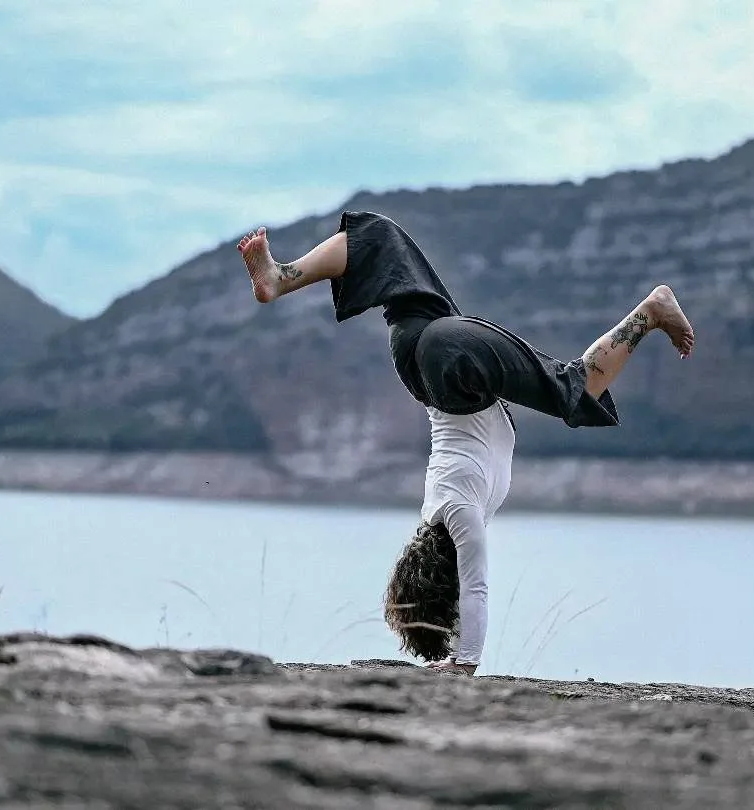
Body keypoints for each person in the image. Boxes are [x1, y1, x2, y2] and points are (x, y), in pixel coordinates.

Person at [236, 211, 693, 675]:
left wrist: (464, 661)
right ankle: (280, 277)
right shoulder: (435, 512)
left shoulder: (461, 516)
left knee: (571, 389)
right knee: (382, 239)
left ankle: (651, 309)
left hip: (453, 365)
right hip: (417, 358)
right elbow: (454, 585)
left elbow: (474, 589)